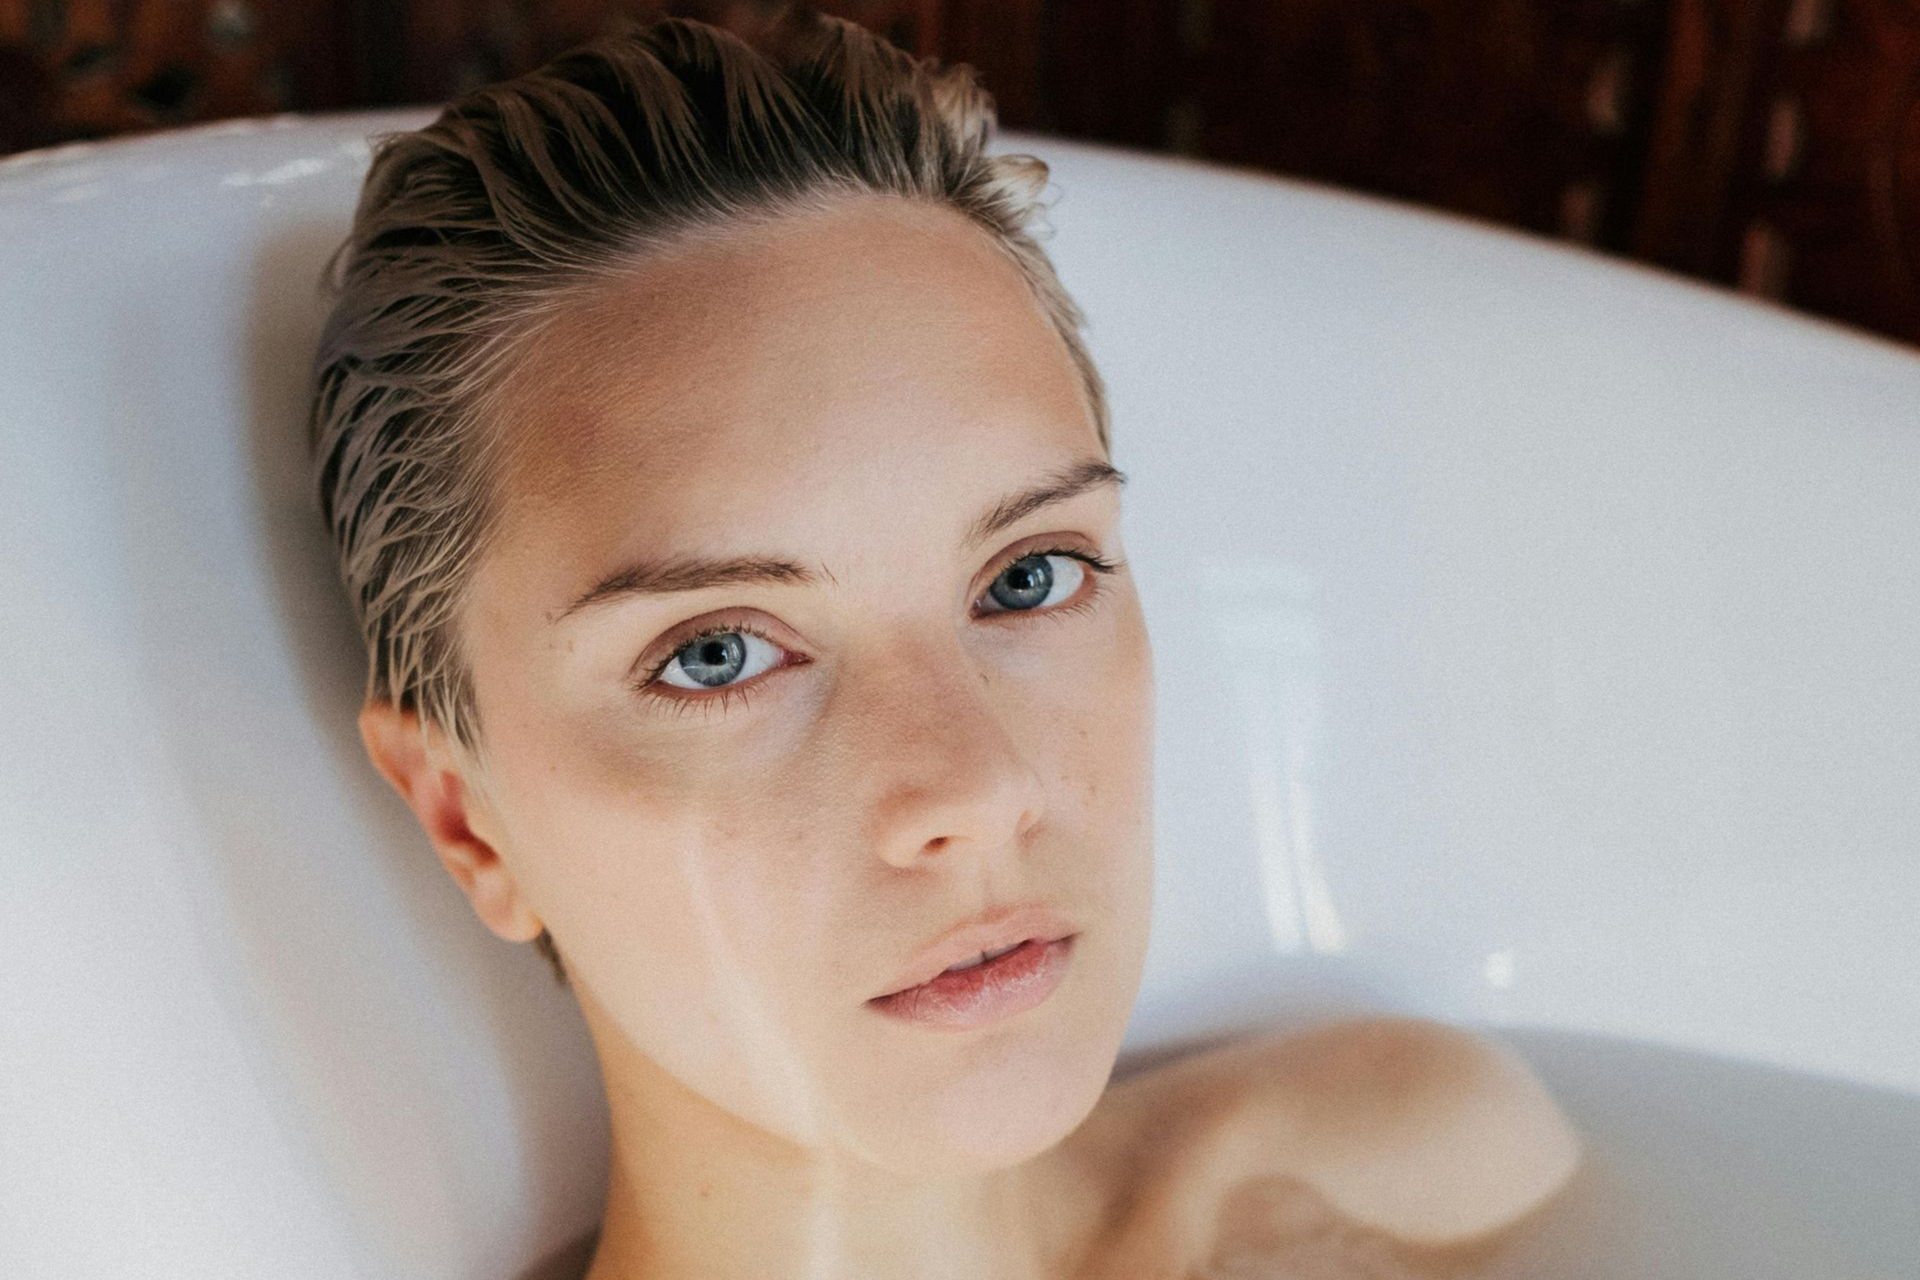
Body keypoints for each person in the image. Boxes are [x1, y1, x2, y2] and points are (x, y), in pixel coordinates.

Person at [307, 11, 1582, 1279]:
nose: (977, 789)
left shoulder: (1428, 1167)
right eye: (718, 655)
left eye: (1029, 576)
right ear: (466, 815)